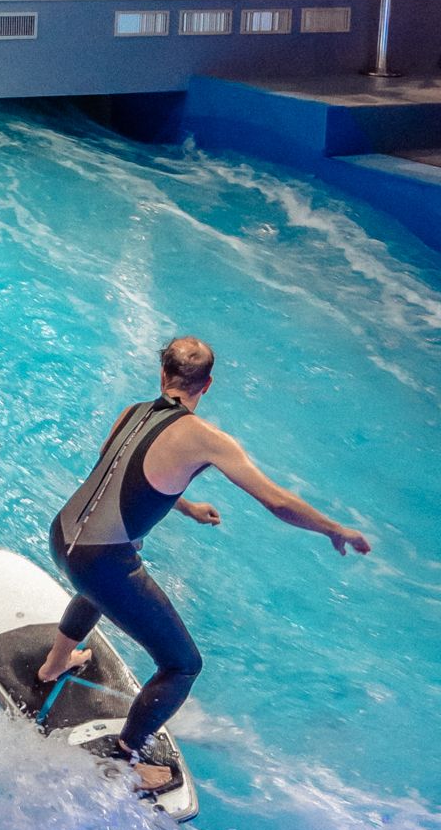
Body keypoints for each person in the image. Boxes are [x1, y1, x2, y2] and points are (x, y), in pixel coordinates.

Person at [33, 336, 371, 793]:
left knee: (101, 586)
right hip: (101, 560)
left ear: (162, 375)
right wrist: (334, 529)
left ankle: (55, 665)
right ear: (207, 385)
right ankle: (127, 759)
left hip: (63, 537)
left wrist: (186, 506)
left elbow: (118, 477)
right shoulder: (207, 439)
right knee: (182, 665)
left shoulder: (130, 413)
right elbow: (277, 501)